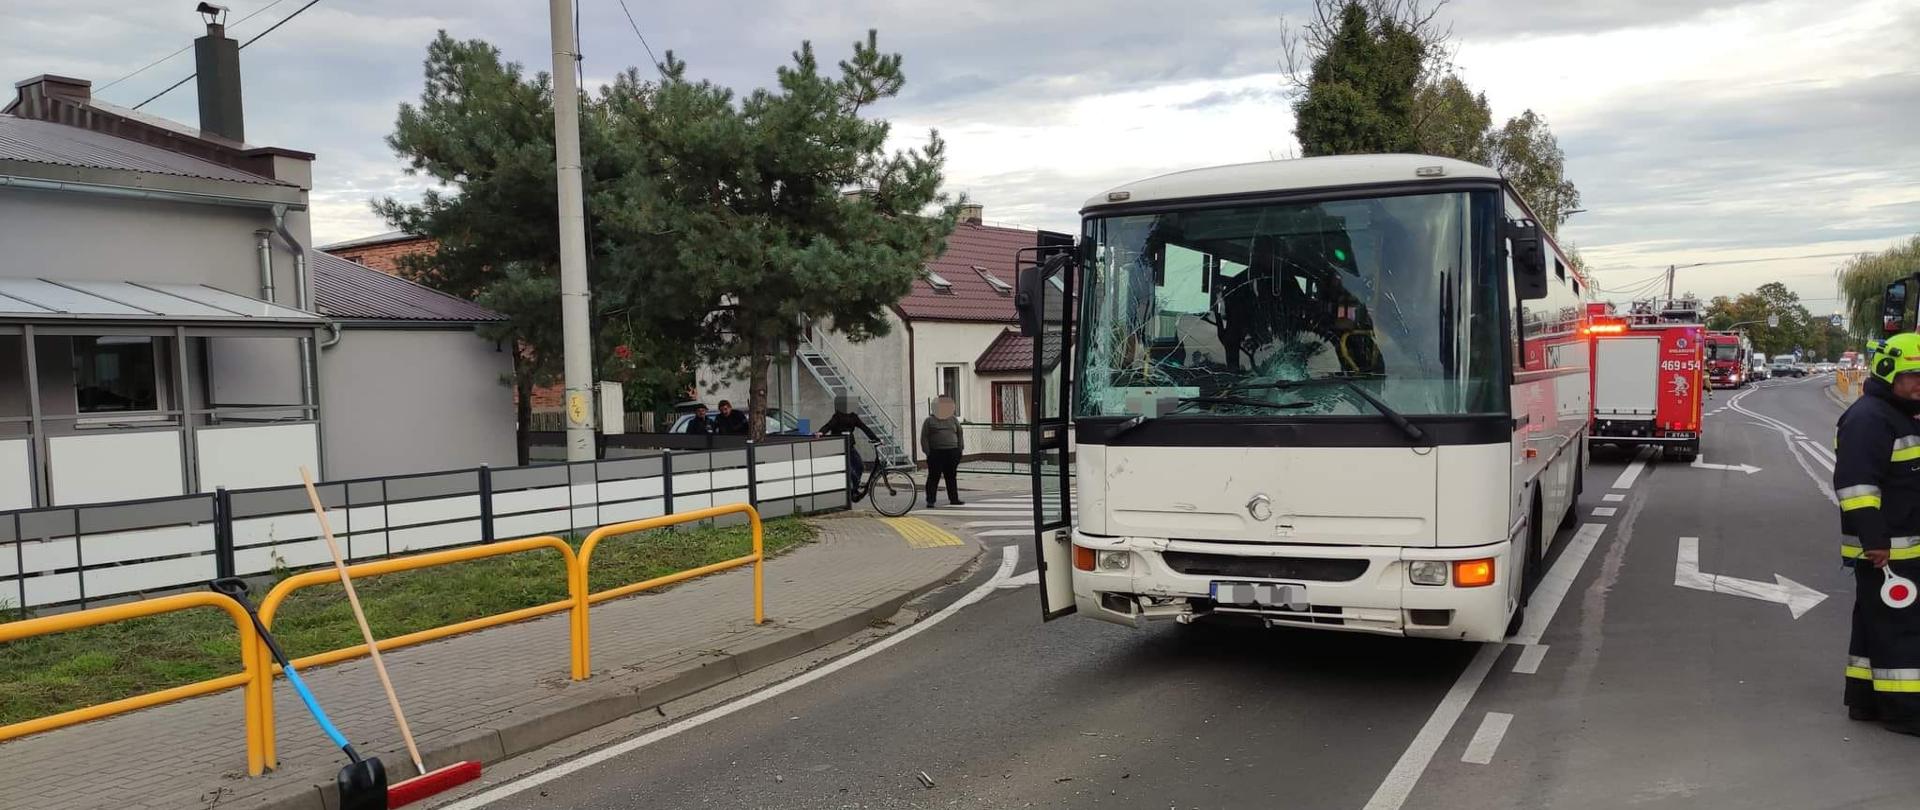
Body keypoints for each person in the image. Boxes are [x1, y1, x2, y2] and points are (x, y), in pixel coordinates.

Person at [1834, 333, 1920, 734]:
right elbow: (1856, 486)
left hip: (1896, 545)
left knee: (1875, 623)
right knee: (1903, 630)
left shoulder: (1899, 414)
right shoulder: (1870, 419)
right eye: (1914, 376)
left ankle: (1865, 699)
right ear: (1888, 372)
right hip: (1890, 549)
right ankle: (1906, 711)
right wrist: (1876, 542)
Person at [818, 395, 880, 495]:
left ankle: (854, 489)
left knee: (859, 466)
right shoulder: (837, 416)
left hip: (850, 446)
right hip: (839, 447)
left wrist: (875, 439)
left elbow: (864, 428)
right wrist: (821, 432)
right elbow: (828, 426)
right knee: (849, 469)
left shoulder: (853, 417)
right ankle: (852, 489)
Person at [921, 396, 964, 507]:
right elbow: (924, 437)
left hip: (952, 452)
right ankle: (930, 500)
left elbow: (960, 434)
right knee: (933, 477)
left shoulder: (953, 419)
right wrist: (927, 452)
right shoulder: (929, 421)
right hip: (936, 453)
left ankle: (954, 499)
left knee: (951, 476)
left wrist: (960, 450)